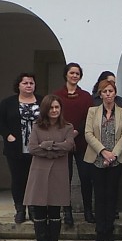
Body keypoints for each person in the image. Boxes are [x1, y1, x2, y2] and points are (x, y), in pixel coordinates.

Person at [24, 95, 74, 241]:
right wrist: (52, 148)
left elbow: (68, 146)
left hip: (58, 172)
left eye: (57, 107)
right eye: (51, 108)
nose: (54, 111)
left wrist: (46, 145)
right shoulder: (37, 126)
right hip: (38, 172)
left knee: (54, 212)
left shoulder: (67, 127)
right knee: (38, 212)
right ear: (46, 109)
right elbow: (32, 148)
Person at [84, 80, 122, 241]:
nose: (108, 94)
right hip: (96, 158)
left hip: (115, 161)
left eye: (111, 91)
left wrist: (113, 155)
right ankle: (100, 231)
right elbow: (88, 133)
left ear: (115, 93)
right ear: (100, 94)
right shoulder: (92, 111)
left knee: (112, 195)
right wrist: (103, 151)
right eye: (105, 91)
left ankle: (109, 231)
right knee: (100, 195)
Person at [0, 73, 43, 224]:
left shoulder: (42, 101)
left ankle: (34, 209)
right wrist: (8, 135)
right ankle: (20, 209)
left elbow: (51, 118)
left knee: (34, 181)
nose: (29, 86)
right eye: (25, 83)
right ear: (19, 85)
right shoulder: (7, 103)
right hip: (15, 149)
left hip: (37, 149)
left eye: (31, 83)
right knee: (18, 179)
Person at [53, 63, 94, 225]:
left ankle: (88, 212)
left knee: (86, 177)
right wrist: (66, 134)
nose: (74, 76)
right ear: (66, 75)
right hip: (62, 142)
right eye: (72, 73)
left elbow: (89, 118)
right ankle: (67, 212)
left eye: (77, 73)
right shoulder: (57, 95)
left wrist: (76, 131)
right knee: (64, 178)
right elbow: (53, 115)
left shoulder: (86, 96)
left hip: (82, 142)